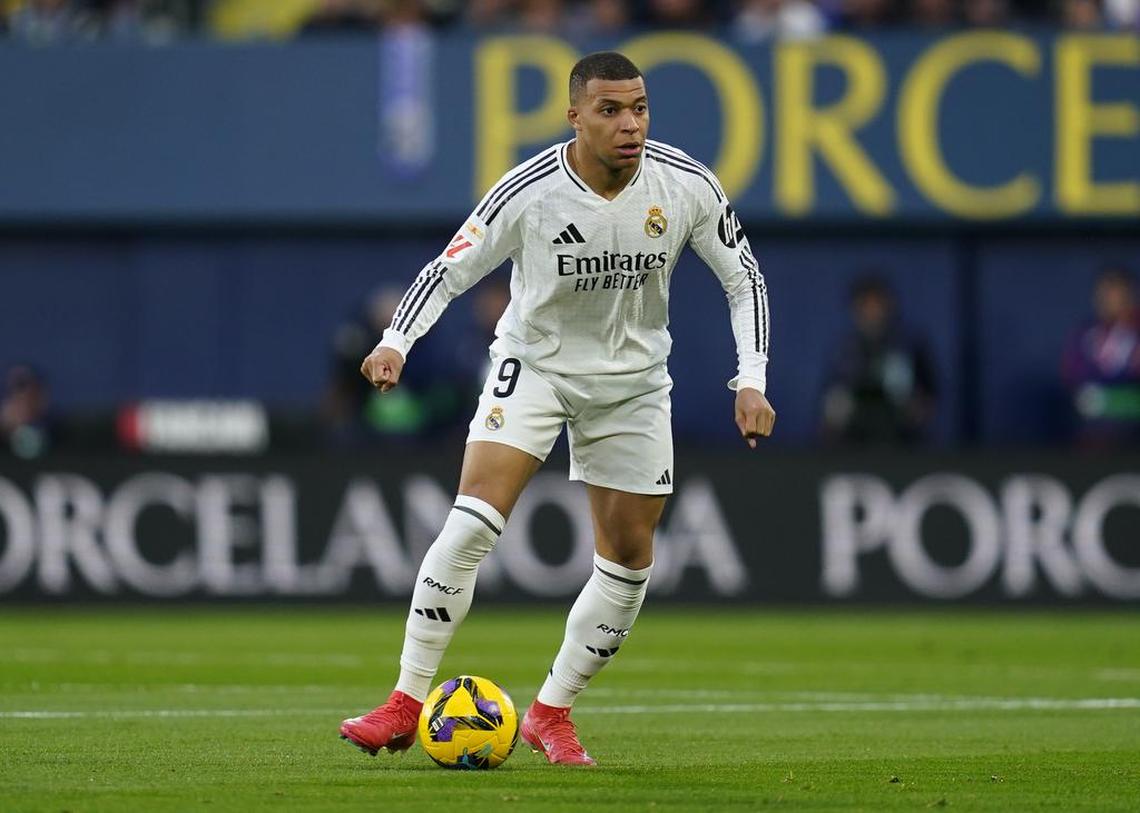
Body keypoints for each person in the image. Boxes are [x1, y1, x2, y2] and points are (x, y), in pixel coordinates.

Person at [338, 51, 774, 767]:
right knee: (473, 518)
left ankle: (551, 711)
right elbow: (449, 271)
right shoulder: (530, 191)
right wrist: (396, 342)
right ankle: (405, 702)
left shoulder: (686, 183)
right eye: (609, 110)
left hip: (633, 384)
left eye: (638, 108)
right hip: (535, 366)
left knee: (630, 559)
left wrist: (750, 378)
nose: (628, 124)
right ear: (574, 116)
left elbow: (743, 278)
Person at [820, 274, 937, 446]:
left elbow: (929, 396)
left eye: (876, 305)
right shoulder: (845, 351)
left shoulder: (909, 345)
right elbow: (830, 402)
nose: (872, 312)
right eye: (865, 306)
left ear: (888, 307)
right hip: (854, 438)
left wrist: (917, 407)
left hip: (902, 435)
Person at [1062, 264, 1140, 446]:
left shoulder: (1136, 333)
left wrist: (1107, 400)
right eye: (1102, 292)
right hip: (1091, 428)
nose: (1106, 299)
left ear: (1130, 295)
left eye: (1114, 292)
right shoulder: (1085, 333)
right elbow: (1072, 375)